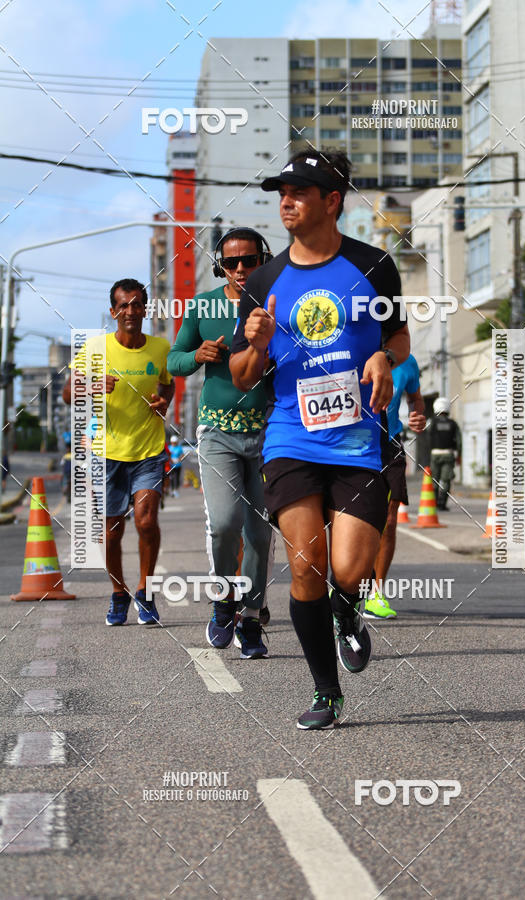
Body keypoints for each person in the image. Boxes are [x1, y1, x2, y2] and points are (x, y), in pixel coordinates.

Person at [230, 148, 410, 729]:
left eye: (300, 191)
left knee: (349, 571)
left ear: (332, 202)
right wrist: (255, 343)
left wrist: (383, 354)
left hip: (359, 439)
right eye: (282, 191)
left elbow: (400, 338)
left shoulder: (375, 265)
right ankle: (325, 691)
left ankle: (349, 612)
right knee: (306, 565)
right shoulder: (263, 278)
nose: (286, 200)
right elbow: (242, 376)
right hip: (290, 437)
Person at [167, 227, 275, 659]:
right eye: (232, 263)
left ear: (262, 260)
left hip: (269, 432)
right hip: (217, 434)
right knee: (226, 523)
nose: (241, 270)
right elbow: (174, 361)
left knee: (261, 534)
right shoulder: (203, 305)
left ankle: (250, 620)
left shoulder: (277, 301)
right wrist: (197, 357)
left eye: (249, 260)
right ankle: (223, 600)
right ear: (220, 266)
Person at [63, 278, 174, 626]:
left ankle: (145, 591)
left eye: (137, 304)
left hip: (148, 449)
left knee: (146, 520)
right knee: (112, 530)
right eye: (123, 305)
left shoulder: (160, 348)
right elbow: (68, 393)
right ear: (113, 311)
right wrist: (94, 384)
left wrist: (163, 402)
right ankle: (118, 592)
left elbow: (167, 385)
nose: (130, 310)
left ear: (146, 309)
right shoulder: (96, 348)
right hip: (107, 452)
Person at [366, 353, 426, 619]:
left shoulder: (407, 362)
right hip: (353, 442)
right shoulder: (357, 345)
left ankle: (376, 594)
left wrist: (417, 416)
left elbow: (416, 398)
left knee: (389, 521)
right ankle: (346, 586)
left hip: (391, 442)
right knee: (352, 518)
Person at [429, 397, 462, 510]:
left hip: (435, 455)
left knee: (434, 479)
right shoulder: (453, 423)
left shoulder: (431, 422)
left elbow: (426, 437)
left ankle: (433, 502)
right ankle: (442, 503)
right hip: (448, 454)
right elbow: (459, 441)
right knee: (446, 480)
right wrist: (459, 456)